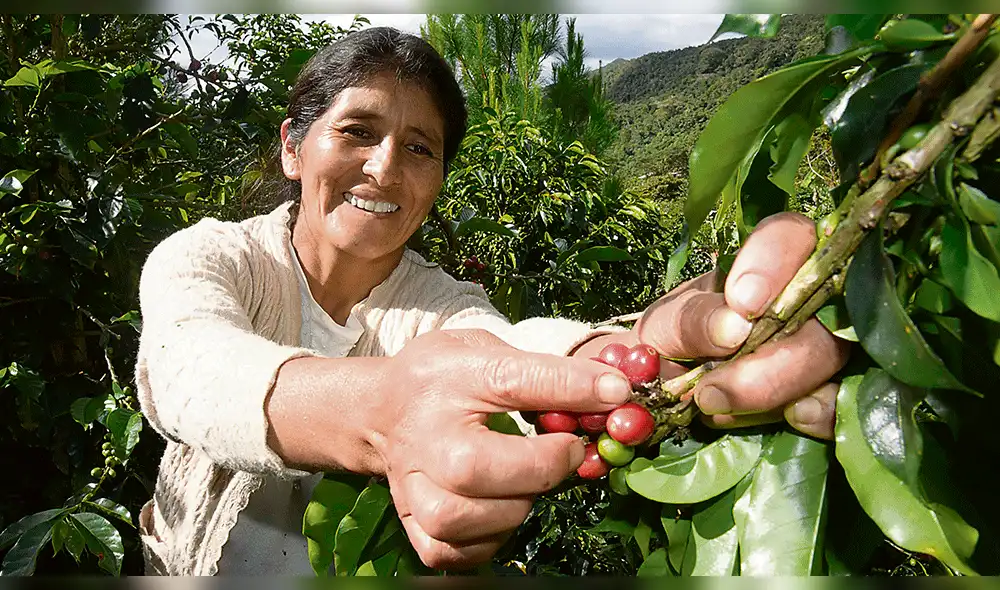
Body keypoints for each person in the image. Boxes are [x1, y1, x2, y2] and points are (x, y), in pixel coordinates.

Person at [134, 27, 848, 575]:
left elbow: (501, 350)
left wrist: (625, 354)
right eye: (357, 131)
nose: (384, 168)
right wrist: (381, 412)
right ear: (294, 147)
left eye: (420, 148)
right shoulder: (215, 258)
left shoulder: (436, 302)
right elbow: (191, 368)